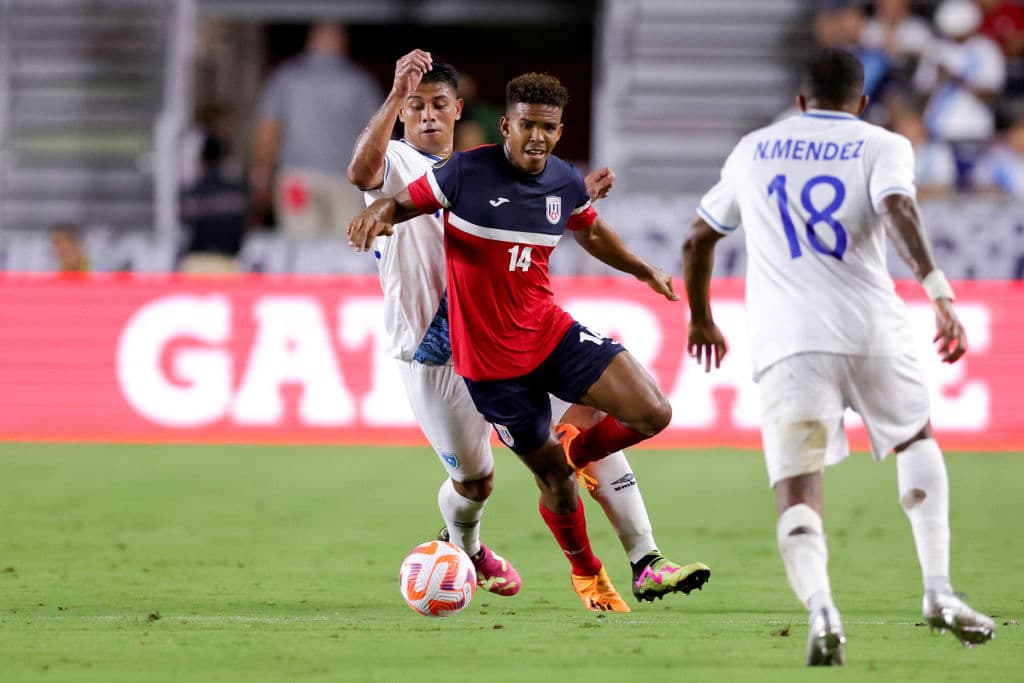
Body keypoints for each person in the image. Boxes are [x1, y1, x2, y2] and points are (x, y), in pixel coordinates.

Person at [348, 60, 710, 611]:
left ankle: (646, 559)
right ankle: (468, 546)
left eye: (438, 105)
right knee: (476, 483)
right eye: (415, 107)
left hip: (524, 329)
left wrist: (568, 200)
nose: (427, 116)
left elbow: (545, 208)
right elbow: (364, 176)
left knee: (605, 426)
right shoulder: (399, 160)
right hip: (435, 348)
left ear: (459, 110)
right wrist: (393, 115)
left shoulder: (494, 163)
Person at [682, 48, 996, 666]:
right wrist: (939, 293)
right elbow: (898, 208)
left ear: (800, 101)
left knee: (799, 484)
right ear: (863, 102)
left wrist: (701, 317)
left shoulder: (754, 149)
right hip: (873, 330)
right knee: (916, 439)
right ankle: (938, 590)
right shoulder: (882, 144)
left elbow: (697, 239)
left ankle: (822, 607)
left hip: (788, 342)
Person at [251, 22, 381, 238]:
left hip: (297, 179)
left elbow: (269, 128)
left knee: (299, 240)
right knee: (345, 244)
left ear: (310, 41)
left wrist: (262, 170)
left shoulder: (286, 78)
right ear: (342, 43)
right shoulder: (359, 82)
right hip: (344, 179)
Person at [179, 136, 248, 274]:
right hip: (229, 263)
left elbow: (183, 223)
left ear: (202, 160)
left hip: (197, 263)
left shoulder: (193, 194)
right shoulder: (238, 192)